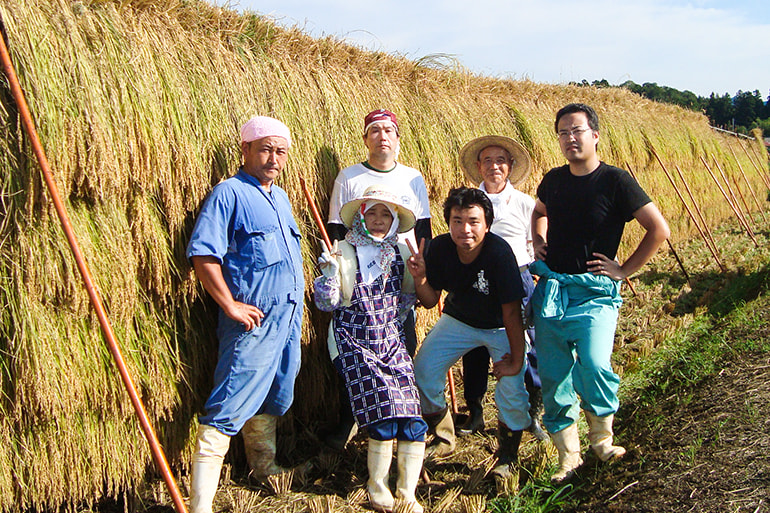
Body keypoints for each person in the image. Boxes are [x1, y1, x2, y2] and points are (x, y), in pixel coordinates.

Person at [530, 103, 670, 484]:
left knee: (594, 364)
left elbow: (658, 229)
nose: (570, 138)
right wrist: (537, 239)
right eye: (563, 132)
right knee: (555, 374)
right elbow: (539, 210)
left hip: (594, 294)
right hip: (553, 290)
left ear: (594, 135)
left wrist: (624, 269)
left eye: (577, 130)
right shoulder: (553, 180)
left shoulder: (616, 182)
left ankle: (602, 440)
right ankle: (568, 455)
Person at [186, 116, 305, 513]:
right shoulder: (229, 194)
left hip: (287, 319)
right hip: (253, 321)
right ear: (246, 150)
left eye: (281, 151)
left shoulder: (282, 198)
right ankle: (200, 503)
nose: (274, 158)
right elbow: (204, 254)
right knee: (230, 400)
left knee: (277, 393)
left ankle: (263, 467)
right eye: (266, 149)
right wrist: (229, 304)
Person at [314, 186, 427, 513]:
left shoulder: (400, 254)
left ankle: (407, 492)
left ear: (394, 221)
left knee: (412, 418)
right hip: (354, 344)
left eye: (386, 214)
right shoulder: (343, 251)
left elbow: (407, 303)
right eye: (372, 212)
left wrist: (419, 277)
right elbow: (326, 305)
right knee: (384, 417)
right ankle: (377, 487)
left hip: (391, 344)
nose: (378, 220)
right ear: (361, 216)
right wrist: (329, 277)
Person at [407, 187, 530, 486]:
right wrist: (420, 278)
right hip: (458, 320)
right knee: (423, 371)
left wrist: (516, 359)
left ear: (487, 224)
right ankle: (444, 434)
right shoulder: (438, 248)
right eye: (457, 220)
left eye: (473, 221)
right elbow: (427, 300)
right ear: (448, 222)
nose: (465, 229)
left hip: (500, 326)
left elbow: (512, 313)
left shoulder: (500, 254)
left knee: (512, 386)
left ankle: (508, 457)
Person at [324, 109, 432, 450]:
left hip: (399, 277)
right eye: (374, 130)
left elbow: (424, 232)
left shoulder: (413, 178)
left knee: (402, 347)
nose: (382, 136)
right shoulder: (349, 178)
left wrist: (421, 272)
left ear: (398, 138)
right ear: (365, 138)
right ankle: (352, 420)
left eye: (388, 130)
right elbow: (336, 233)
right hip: (359, 278)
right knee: (354, 360)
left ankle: (403, 429)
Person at [457, 135, 547, 441]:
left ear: (509, 167)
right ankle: (476, 411)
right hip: (476, 279)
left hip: (517, 278)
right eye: (487, 160)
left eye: (500, 160)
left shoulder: (524, 203)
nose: (494, 166)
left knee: (528, 343)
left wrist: (532, 272)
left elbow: (534, 242)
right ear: (479, 167)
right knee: (475, 344)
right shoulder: (468, 201)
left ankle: (532, 413)